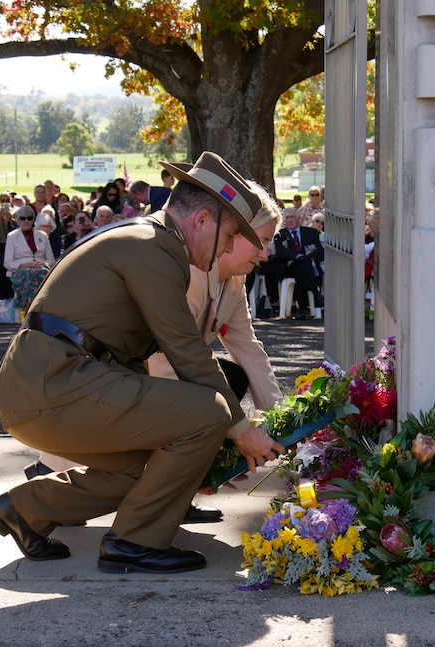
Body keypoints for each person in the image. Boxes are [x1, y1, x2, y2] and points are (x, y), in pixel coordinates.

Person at [0, 151, 284, 574]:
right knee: (209, 412)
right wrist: (241, 430)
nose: (233, 247)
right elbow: (188, 353)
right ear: (201, 222)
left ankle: (24, 509)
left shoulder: (153, 243)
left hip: (53, 385)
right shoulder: (154, 249)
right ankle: (135, 542)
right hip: (54, 387)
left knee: (151, 468)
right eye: (231, 234)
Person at [30, 180, 285, 497]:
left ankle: (167, 483)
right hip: (117, 374)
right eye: (261, 240)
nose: (265, 253)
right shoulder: (190, 268)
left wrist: (283, 424)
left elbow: (249, 351)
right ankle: (50, 476)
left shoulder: (234, 280)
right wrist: (188, 445)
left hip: (161, 373)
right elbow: (165, 359)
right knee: (208, 403)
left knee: (231, 379)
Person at [273, 207, 324, 319]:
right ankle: (316, 295)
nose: (289, 220)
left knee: (303, 266)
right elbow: (281, 253)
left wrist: (304, 258)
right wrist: (298, 256)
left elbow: (320, 251)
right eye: (286, 217)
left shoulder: (311, 233)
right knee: (303, 265)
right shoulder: (280, 235)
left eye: (292, 217)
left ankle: (302, 308)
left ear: (299, 218)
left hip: (307, 266)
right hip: (289, 268)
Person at [4, 205, 55, 312]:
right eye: (23, 218)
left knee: (43, 273)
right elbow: (7, 263)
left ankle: (38, 306)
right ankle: (30, 307)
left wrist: (43, 264)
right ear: (18, 220)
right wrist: (25, 265)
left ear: (33, 219)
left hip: (40, 269)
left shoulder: (42, 236)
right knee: (29, 274)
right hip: (20, 270)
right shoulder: (12, 236)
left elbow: (51, 260)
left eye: (29, 218)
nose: (26, 221)